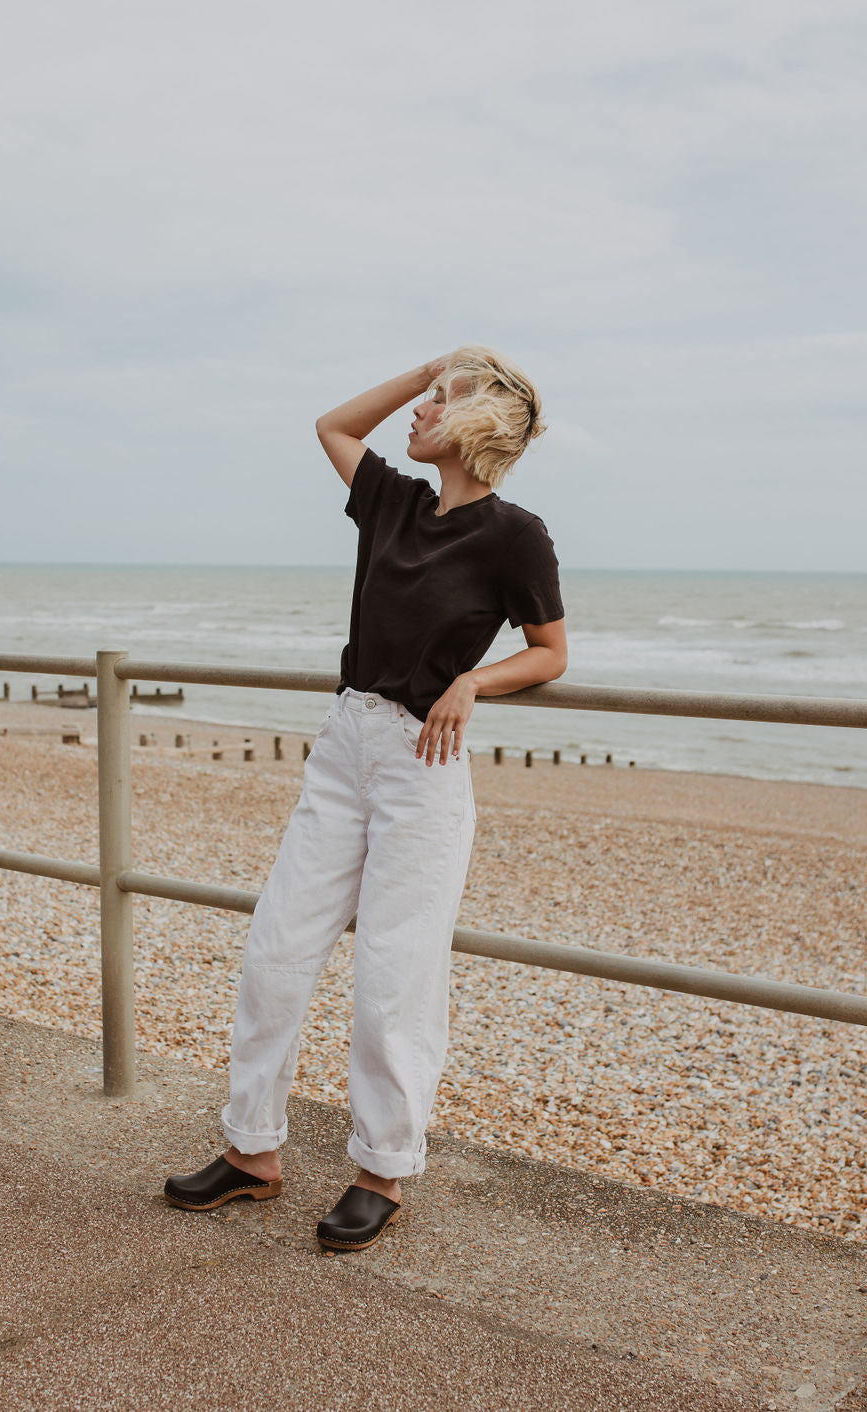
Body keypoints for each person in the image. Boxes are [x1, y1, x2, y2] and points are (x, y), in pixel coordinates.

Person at [164, 345, 567, 1251]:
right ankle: (251, 1151)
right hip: (346, 746)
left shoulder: (515, 535)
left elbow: (550, 651)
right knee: (276, 947)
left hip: (424, 762)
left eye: (437, 402)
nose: (418, 412)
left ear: (475, 425)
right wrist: (431, 365)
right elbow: (333, 425)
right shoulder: (391, 501)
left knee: (395, 975)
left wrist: (475, 682)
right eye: (424, 399)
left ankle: (382, 1169)